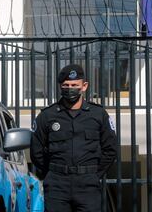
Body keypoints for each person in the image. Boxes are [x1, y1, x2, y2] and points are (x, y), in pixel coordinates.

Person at [30, 64, 117, 212]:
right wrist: (52, 173)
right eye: (66, 85)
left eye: (74, 85)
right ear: (60, 86)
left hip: (88, 184)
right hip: (57, 184)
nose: (70, 88)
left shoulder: (98, 114)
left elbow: (110, 149)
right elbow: (36, 151)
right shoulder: (47, 116)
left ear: (84, 86)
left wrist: (94, 174)